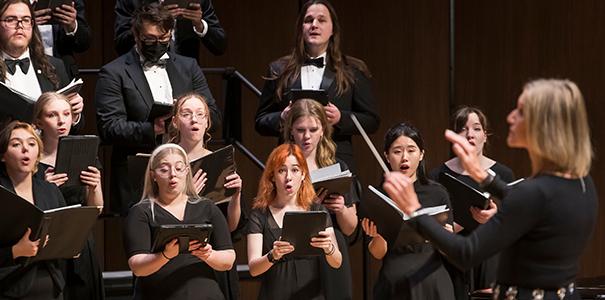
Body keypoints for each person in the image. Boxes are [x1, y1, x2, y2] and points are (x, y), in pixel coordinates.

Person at [383, 79, 597, 300]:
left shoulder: (534, 193)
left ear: (543, 125)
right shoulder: (582, 183)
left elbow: (465, 253)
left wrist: (415, 210)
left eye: (521, 112)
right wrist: (484, 177)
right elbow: (533, 204)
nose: (510, 117)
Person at [95, 2, 221, 215]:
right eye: (150, 39)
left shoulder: (188, 67)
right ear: (136, 36)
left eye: (163, 39)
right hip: (138, 176)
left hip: (185, 173)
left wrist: (188, 120)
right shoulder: (113, 72)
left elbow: (214, 116)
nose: (157, 44)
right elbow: (109, 127)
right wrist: (153, 128)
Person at [255, 0, 379, 171]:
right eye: (308, 20)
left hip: (336, 161)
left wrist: (340, 118)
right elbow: (260, 121)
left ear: (332, 29)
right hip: (290, 164)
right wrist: (283, 117)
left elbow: (372, 121)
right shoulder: (279, 69)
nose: (314, 25)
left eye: (321, 20)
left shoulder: (353, 70)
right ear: (301, 28)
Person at [124, 143, 235, 300]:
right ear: (153, 175)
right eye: (164, 169)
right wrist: (165, 255)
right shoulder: (142, 211)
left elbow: (228, 259)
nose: (172, 175)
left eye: (178, 168)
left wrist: (208, 255)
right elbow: (137, 267)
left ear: (187, 171)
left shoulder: (206, 207)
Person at [360, 122, 454, 299]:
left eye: (411, 150)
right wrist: (377, 236)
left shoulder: (437, 192)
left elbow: (449, 252)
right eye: (397, 151)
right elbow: (377, 253)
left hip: (431, 279)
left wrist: (446, 238)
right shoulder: (379, 196)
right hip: (394, 281)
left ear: (421, 155)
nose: (405, 157)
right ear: (387, 156)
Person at [429, 106, 515, 298]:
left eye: (476, 128)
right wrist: (449, 227)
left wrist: (495, 218)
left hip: (489, 259)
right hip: (452, 259)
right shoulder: (438, 175)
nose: (470, 135)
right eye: (462, 129)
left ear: (485, 135)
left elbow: (515, 227)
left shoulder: (503, 174)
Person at [168, 92, 242, 299]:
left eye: (201, 115)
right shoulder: (166, 164)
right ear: (175, 121)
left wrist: (236, 196)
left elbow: (230, 227)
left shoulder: (219, 163)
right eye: (186, 114)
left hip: (214, 254)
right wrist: (190, 198)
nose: (194, 119)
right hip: (177, 254)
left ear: (208, 122)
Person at [281, 98, 357, 299]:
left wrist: (341, 208)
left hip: (331, 245)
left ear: (323, 129)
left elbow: (350, 228)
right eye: (300, 130)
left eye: (313, 130)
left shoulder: (337, 168)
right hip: (296, 245)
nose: (307, 136)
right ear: (291, 131)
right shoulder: (282, 167)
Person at [32, 92, 104, 300]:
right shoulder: (32, 160)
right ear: (39, 121)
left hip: (80, 238)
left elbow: (97, 209)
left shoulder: (84, 153)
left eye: (66, 114)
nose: (61, 120)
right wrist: (45, 189)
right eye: (52, 115)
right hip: (49, 242)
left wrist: (95, 186)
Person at [247, 143, 342, 299]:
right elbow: (253, 268)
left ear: (303, 174)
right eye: (282, 170)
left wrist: (328, 248)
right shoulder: (260, 214)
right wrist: (273, 255)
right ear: (272, 176)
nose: (288, 177)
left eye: (295, 170)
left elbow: (337, 262)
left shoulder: (317, 210)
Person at [0, 121, 67, 299]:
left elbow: (63, 234)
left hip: (52, 287)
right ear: (2, 155)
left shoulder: (50, 191)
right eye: (16, 144)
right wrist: (16, 251)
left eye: (31, 143)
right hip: (9, 288)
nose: (25, 149)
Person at [0, 0, 84, 130]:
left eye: (26, 20)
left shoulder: (55, 66)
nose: (20, 25)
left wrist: (74, 114)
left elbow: (76, 129)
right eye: (11, 20)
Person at [115, 0, 226, 58]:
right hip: (141, 73)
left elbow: (219, 46)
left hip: (184, 74)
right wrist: (154, 18)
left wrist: (199, 25)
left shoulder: (199, 1)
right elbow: (121, 44)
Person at [33, 0, 91, 78]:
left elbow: (83, 43)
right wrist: (25, 22)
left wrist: (72, 26)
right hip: (23, 70)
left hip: (62, 73)